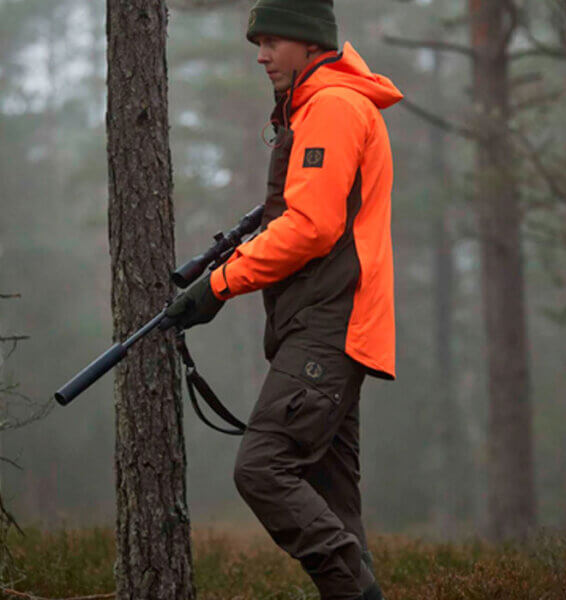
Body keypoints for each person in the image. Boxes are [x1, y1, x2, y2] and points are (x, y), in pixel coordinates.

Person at [167, 1, 403, 598]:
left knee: (263, 468)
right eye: (258, 43)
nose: (261, 55)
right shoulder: (318, 107)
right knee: (332, 500)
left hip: (330, 325)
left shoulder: (331, 108)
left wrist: (219, 284)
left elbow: (312, 226)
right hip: (331, 325)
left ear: (307, 42)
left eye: (272, 42)